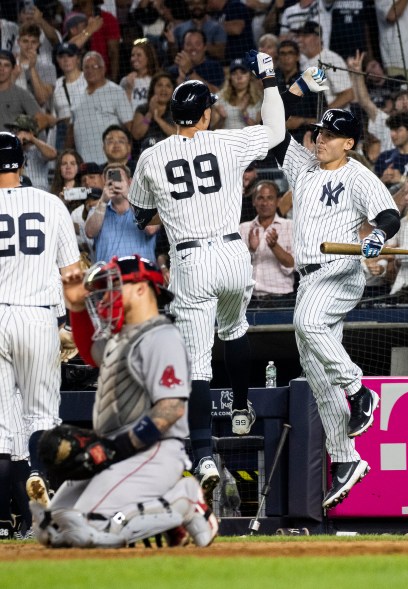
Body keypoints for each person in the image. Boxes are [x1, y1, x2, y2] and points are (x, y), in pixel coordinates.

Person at [127, 51, 287, 497]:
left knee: (197, 362)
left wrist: (169, 212)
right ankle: (240, 407)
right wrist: (269, 77)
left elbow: (142, 218)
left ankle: (202, 454)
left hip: (192, 260)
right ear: (203, 114)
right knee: (234, 329)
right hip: (234, 255)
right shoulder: (227, 141)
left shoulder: (152, 157)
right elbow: (276, 130)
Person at [30, 254, 218, 548]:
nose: (108, 296)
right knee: (51, 529)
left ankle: (183, 500)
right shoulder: (123, 335)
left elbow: (170, 409)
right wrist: (77, 308)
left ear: (142, 288)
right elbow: (91, 351)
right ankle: (165, 519)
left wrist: (114, 448)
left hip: (152, 452)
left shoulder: (162, 336)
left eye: (116, 287)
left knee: (88, 529)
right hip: (116, 453)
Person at [269, 97, 400, 508]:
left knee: (307, 324)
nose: (320, 139)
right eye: (319, 132)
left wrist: (378, 235)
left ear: (348, 143)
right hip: (307, 278)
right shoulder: (304, 166)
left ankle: (361, 390)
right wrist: (273, 83)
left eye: (329, 135)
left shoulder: (358, 175)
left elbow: (389, 215)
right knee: (316, 371)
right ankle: (346, 458)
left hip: (340, 271)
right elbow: (274, 131)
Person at [0, 132, 80, 539]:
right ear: (21, 164)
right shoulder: (50, 204)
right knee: (42, 415)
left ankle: (1, 519)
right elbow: (72, 272)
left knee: (0, 424)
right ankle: (36, 477)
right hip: (37, 317)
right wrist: (71, 323)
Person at [85, 163, 159, 263]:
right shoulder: (97, 209)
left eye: (119, 180)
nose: (115, 185)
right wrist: (102, 201)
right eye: (110, 182)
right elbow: (90, 233)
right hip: (108, 275)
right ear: (104, 185)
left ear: (130, 182)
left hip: (141, 274)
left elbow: (151, 229)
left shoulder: (149, 207)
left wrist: (130, 196)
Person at [68, 51, 133, 165]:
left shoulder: (116, 92)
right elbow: (71, 129)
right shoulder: (76, 94)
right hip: (84, 164)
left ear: (103, 69)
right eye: (86, 67)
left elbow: (129, 127)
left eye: (94, 66)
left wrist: (127, 158)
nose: (90, 70)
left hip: (109, 162)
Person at [239, 180, 295, 302]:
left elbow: (292, 265)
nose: (265, 203)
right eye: (260, 198)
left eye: (270, 198)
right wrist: (251, 250)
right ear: (254, 201)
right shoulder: (243, 228)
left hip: (281, 299)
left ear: (278, 201)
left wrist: (274, 246)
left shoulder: (290, 227)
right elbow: (235, 268)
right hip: (249, 299)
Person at [295, 21, 354, 111]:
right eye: (299, 36)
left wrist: (322, 115)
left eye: (305, 36)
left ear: (318, 38)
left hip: (334, 120)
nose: (300, 40)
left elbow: (348, 94)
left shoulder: (331, 59)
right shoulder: (302, 62)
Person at [5, 114, 57, 192]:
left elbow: (53, 154)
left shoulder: (38, 149)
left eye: (17, 130)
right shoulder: (10, 150)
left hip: (39, 194)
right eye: (13, 131)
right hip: (18, 195)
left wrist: (32, 138)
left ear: (28, 132)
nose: (14, 134)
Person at [52, 42, 87, 151]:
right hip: (63, 133)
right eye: (62, 56)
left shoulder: (88, 79)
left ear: (78, 58)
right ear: (57, 60)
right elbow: (54, 116)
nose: (66, 60)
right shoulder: (55, 85)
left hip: (85, 129)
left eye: (70, 55)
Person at [168, 28, 224, 93]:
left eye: (197, 44)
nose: (193, 48)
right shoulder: (173, 70)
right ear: (183, 47)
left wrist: (189, 72)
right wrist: (181, 78)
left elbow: (216, 94)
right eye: (188, 44)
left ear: (205, 47)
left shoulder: (214, 67)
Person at [213, 58, 262, 129]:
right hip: (226, 139)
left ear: (250, 76)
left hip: (248, 139)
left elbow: (259, 131)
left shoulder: (258, 99)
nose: (239, 77)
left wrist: (244, 114)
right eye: (234, 73)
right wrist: (222, 119)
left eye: (243, 72)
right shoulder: (219, 98)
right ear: (230, 77)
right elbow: (212, 130)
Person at [131, 72, 176, 147]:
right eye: (159, 85)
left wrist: (158, 119)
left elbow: (179, 136)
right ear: (153, 89)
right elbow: (136, 135)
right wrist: (149, 114)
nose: (163, 89)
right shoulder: (142, 108)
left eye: (168, 86)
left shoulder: (177, 110)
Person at [119, 37, 161, 112]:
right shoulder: (125, 81)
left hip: (148, 121)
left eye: (139, 55)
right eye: (132, 55)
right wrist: (128, 88)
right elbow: (120, 109)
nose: (134, 59)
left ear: (148, 58)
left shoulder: (156, 80)